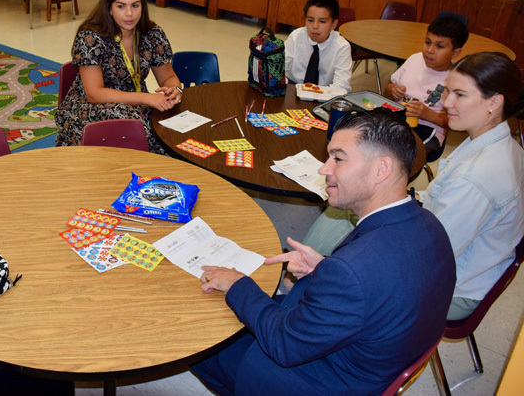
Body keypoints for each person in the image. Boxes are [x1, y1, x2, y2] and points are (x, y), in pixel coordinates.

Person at [191, 110, 455, 395]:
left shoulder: (353, 271)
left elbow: (284, 345)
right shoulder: (430, 225)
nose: (323, 169)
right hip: (373, 356)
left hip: (317, 380)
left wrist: (238, 284)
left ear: (382, 169)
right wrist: (325, 268)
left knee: (199, 333)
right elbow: (381, 282)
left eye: (338, 158)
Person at [303, 52, 524, 321]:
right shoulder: (499, 141)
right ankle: (310, 272)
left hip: (453, 284)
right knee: (358, 200)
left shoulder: (476, 177)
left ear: (494, 101)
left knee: (351, 206)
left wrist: (380, 211)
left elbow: (431, 254)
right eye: (447, 92)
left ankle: (309, 282)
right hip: (460, 255)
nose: (446, 103)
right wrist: (404, 199)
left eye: (460, 95)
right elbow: (439, 201)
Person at [55, 0, 183, 154]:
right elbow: (95, 94)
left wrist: (174, 90)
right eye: (121, 6)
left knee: (169, 131)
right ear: (109, 8)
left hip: (135, 103)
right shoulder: (90, 37)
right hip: (90, 107)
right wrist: (146, 98)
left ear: (142, 6)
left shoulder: (152, 34)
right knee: (138, 132)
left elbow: (168, 77)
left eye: (135, 6)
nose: (129, 14)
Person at [384, 15, 468, 157]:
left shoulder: (456, 79)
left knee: (396, 154)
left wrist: (428, 115)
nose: (430, 50)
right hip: (397, 119)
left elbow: (458, 123)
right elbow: (388, 89)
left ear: (455, 53)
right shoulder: (414, 59)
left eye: (439, 46)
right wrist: (393, 91)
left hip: (428, 131)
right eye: (428, 42)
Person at [284, 0, 352, 92]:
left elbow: (342, 86)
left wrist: (318, 95)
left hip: (324, 92)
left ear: (333, 24)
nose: (315, 26)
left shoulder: (342, 47)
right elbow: (279, 69)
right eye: (310, 20)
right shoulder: (296, 37)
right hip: (293, 86)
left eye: (322, 21)